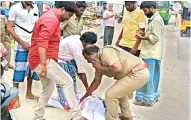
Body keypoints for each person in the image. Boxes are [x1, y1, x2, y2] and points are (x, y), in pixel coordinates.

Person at [28, 1, 85, 120]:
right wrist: (43, 64)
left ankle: (38, 117)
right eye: (69, 15)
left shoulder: (51, 17)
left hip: (40, 59)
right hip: (43, 60)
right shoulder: (51, 19)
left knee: (48, 89)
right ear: (63, 10)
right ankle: (77, 116)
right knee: (68, 81)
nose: (68, 19)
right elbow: (42, 43)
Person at [81, 45, 149, 120]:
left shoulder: (105, 52)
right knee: (119, 93)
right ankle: (126, 116)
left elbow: (118, 68)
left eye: (87, 58)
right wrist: (86, 94)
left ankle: (112, 118)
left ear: (92, 54)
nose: (88, 61)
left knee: (110, 94)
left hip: (138, 73)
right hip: (134, 74)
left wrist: (100, 67)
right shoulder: (98, 63)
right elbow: (96, 81)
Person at [7, 1, 40, 108]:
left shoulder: (35, 9)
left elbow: (36, 26)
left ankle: (29, 93)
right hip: (21, 45)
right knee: (18, 70)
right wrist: (21, 42)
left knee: (31, 69)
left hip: (33, 44)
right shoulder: (15, 8)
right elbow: (9, 28)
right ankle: (15, 97)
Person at [57, 32, 97, 111]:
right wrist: (87, 88)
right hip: (59, 58)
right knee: (63, 82)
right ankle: (64, 102)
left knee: (72, 79)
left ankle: (72, 95)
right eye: (90, 44)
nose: (90, 47)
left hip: (69, 57)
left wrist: (78, 70)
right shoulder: (76, 48)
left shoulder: (79, 39)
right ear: (84, 42)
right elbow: (81, 72)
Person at [134, 1, 164, 106]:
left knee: (146, 77)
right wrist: (143, 33)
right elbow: (152, 34)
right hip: (152, 53)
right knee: (151, 76)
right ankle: (150, 97)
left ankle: (147, 99)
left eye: (145, 11)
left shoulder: (156, 20)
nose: (145, 13)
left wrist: (141, 37)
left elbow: (154, 37)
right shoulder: (154, 19)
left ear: (152, 8)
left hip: (150, 54)